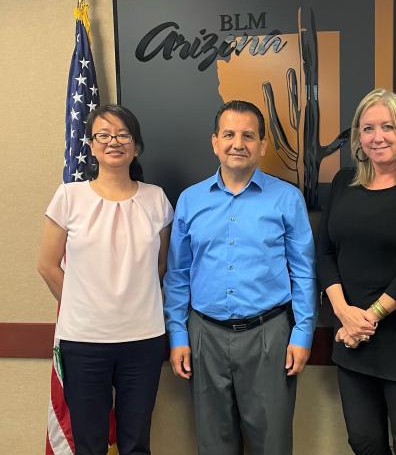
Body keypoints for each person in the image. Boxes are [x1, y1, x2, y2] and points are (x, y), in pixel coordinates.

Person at [163, 100, 317, 455]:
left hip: (270, 336)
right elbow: (178, 274)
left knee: (272, 444)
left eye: (249, 135)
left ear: (262, 145)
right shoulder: (190, 200)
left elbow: (304, 272)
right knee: (213, 444)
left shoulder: (286, 199)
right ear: (215, 141)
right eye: (229, 134)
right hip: (204, 335)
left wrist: (303, 332)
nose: (238, 143)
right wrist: (178, 334)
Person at [316, 88, 396, 455]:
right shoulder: (344, 183)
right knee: (363, 442)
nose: (378, 137)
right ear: (358, 136)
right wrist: (344, 314)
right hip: (352, 340)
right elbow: (325, 252)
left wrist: (368, 319)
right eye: (368, 128)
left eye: (387, 127)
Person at [37, 105, 173, 455]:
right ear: (92, 145)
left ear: (136, 145)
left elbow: (160, 266)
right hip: (84, 341)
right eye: (104, 135)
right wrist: (85, 304)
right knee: (90, 443)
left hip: (143, 339)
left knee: (135, 442)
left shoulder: (156, 199)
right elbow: (48, 265)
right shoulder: (69, 197)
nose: (114, 141)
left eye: (123, 134)